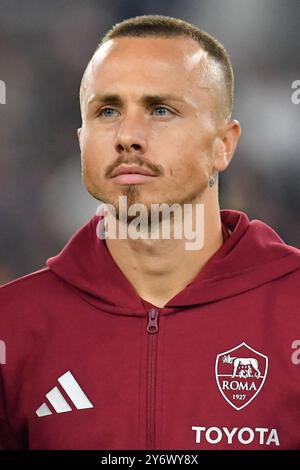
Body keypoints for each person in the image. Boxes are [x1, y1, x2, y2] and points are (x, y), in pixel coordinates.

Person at [0, 14, 299, 451]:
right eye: (107, 110)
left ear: (224, 144)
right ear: (81, 138)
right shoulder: (13, 324)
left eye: (161, 110)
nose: (128, 136)